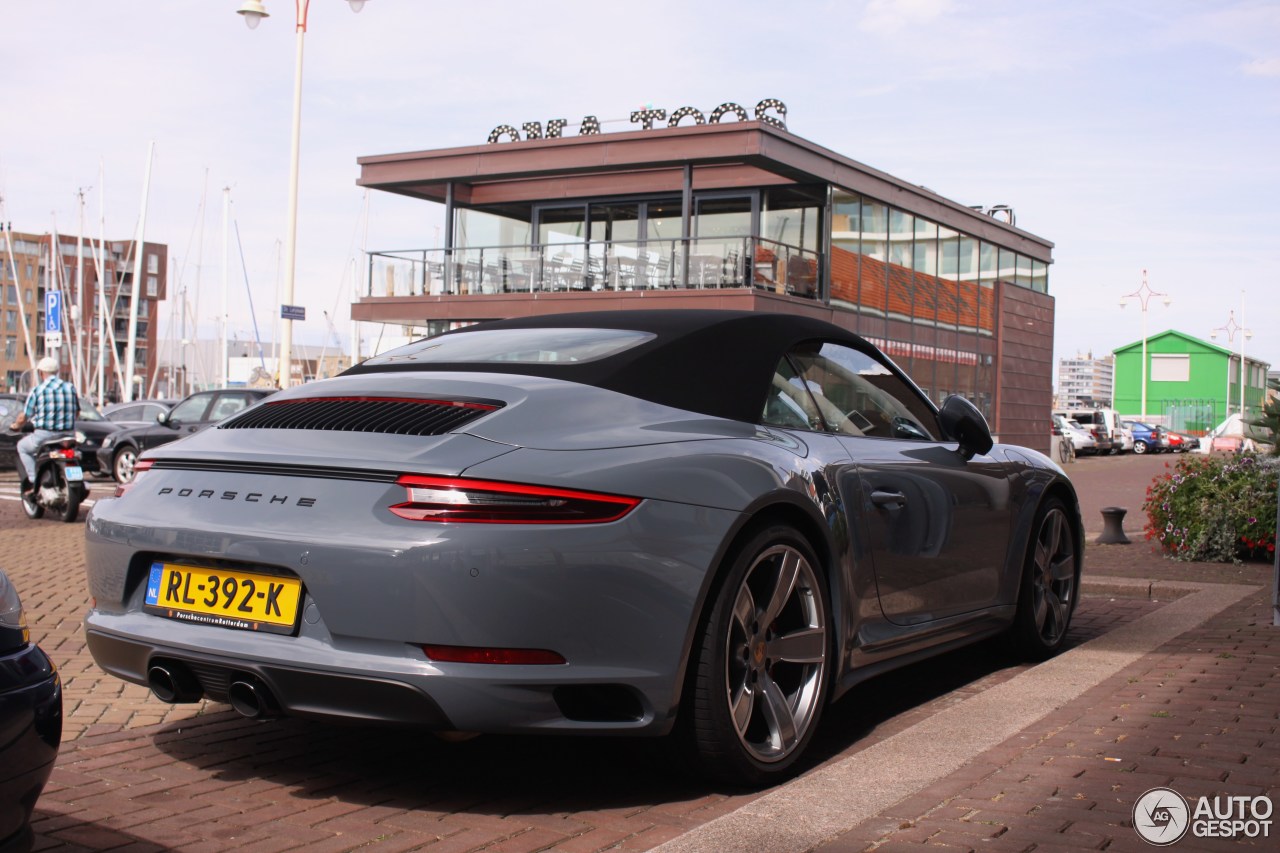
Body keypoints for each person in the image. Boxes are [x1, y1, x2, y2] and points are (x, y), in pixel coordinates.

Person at [10, 356, 78, 494]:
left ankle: (34, 479)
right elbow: (77, 412)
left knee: (22, 447)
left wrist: (15, 425)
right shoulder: (70, 388)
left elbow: (24, 416)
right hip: (68, 436)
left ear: (41, 373)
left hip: (45, 436)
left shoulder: (38, 390)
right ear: (57, 371)